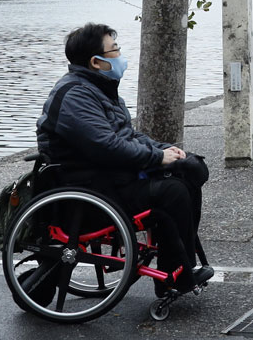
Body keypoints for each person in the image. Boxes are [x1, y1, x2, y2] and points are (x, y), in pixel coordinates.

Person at [36, 22, 211, 294]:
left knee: (188, 172)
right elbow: (108, 146)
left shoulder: (99, 88)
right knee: (173, 191)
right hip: (90, 189)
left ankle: (181, 268)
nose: (120, 56)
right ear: (96, 61)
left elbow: (127, 134)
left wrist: (165, 150)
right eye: (115, 50)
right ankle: (174, 277)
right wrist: (156, 158)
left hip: (110, 178)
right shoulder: (75, 96)